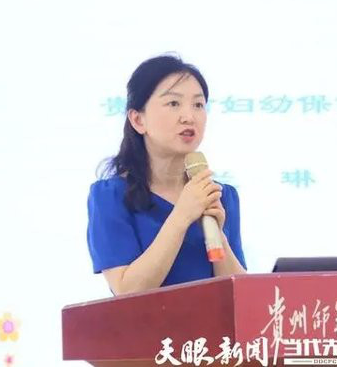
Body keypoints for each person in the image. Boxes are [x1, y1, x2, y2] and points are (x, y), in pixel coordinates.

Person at [86, 55, 247, 295]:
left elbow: (240, 295)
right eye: (173, 103)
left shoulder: (219, 195)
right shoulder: (110, 196)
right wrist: (182, 215)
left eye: (198, 105)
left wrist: (218, 236)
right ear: (138, 120)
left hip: (211, 321)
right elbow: (126, 291)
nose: (189, 117)